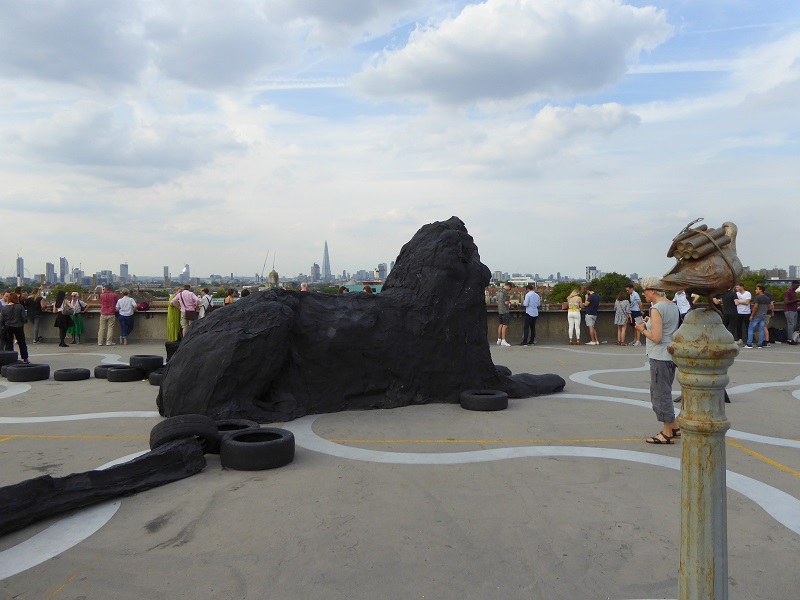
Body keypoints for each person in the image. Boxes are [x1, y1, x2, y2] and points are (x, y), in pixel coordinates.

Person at [634, 277, 680, 444]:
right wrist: (650, 324)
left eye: (645, 290)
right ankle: (674, 426)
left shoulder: (656, 308)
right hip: (670, 355)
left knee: (660, 394)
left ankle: (667, 433)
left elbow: (656, 337)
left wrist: (641, 329)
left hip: (659, 355)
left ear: (653, 290)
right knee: (664, 390)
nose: (643, 293)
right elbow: (666, 329)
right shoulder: (671, 305)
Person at [1, 293, 30, 363]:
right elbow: (24, 317)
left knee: (9, 343)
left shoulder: (4, 308)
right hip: (18, 326)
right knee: (22, 343)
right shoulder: (20, 307)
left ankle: (9, 358)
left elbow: (2, 319)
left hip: (8, 326)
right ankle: (25, 358)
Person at [745, 284, 771, 349]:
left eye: (757, 289)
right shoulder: (767, 298)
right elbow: (770, 306)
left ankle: (749, 344)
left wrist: (752, 315)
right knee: (761, 330)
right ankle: (760, 344)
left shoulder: (757, 297)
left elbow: (755, 307)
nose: (755, 290)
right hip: (763, 315)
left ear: (760, 290)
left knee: (751, 329)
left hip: (757, 315)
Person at [495, 282, 512, 347]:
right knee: (505, 326)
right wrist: (510, 298)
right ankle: (503, 340)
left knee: (501, 324)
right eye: (510, 288)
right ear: (508, 286)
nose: (509, 290)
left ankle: (499, 339)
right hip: (505, 311)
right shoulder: (505, 292)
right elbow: (506, 302)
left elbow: (497, 301)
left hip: (500, 310)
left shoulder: (498, 291)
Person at [784, 280, 799, 345]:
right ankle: (790, 339)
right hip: (789, 311)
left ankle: (793, 338)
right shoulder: (788, 292)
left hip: (794, 310)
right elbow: (786, 302)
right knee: (791, 325)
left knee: (794, 325)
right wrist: (796, 300)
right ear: (794, 285)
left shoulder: (794, 292)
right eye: (797, 286)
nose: (798, 287)